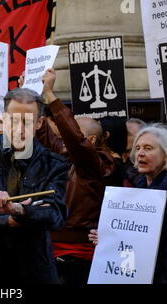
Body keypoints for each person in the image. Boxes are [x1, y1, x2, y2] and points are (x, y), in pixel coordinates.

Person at [0, 88, 69, 284]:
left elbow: (57, 216)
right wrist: (5, 221)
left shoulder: (54, 164)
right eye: (14, 120)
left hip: (35, 267)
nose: (20, 129)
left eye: (27, 122)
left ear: (39, 123)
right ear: (4, 118)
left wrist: (20, 210)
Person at [33, 68, 119, 284]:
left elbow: (75, 141)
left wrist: (51, 96)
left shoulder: (98, 163)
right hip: (52, 247)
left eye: (74, 131)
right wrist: (33, 97)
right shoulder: (67, 154)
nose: (66, 134)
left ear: (89, 140)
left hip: (78, 256)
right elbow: (45, 135)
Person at [89, 124, 167, 283]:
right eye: (138, 147)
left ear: (166, 154)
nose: (140, 153)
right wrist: (109, 238)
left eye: (148, 148)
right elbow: (136, 237)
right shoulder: (140, 186)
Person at [123, 118, 146, 186]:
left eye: (128, 134)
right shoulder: (114, 159)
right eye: (122, 133)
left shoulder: (144, 163)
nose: (122, 136)